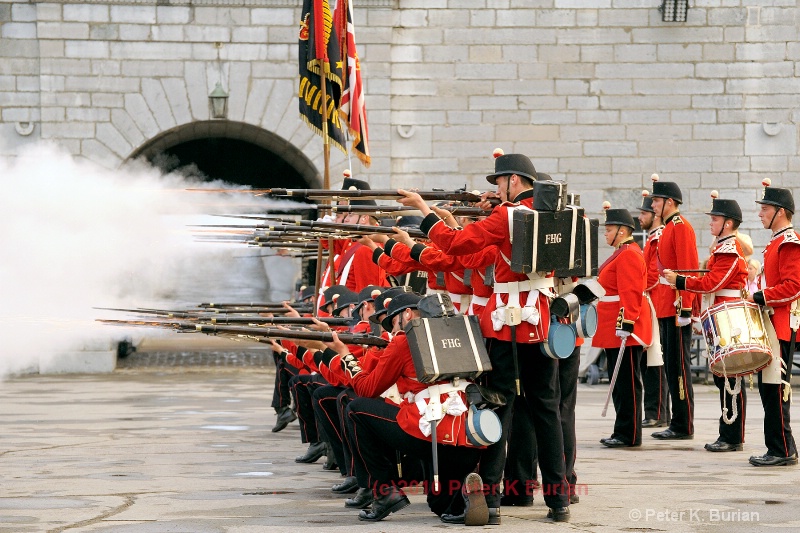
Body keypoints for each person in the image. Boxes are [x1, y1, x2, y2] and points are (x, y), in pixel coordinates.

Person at [397, 151, 571, 523]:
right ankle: (559, 499)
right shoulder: (551, 215)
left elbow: (458, 246)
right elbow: (487, 251)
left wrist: (423, 209)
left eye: (500, 182)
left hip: (506, 327)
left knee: (498, 407)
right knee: (546, 412)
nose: (498, 189)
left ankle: (490, 500)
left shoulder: (508, 215)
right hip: (540, 324)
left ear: (514, 180)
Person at [664, 194, 748, 453]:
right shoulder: (721, 248)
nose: (711, 222)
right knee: (723, 377)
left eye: (716, 218)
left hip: (728, 316)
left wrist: (681, 281)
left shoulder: (730, 249)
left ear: (729, 223)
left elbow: (713, 283)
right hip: (719, 314)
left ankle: (732, 436)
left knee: (731, 377)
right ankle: (728, 432)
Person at [746, 180, 798, 466]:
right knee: (769, 387)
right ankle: (780, 446)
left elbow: (794, 286)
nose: (760, 213)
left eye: (764, 208)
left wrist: (761, 296)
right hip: (770, 322)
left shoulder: (789, 242)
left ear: (780, 211)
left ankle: (782, 450)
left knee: (775, 388)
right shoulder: (776, 242)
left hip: (781, 323)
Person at [594, 203, 652, 448]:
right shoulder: (621, 251)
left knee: (627, 384)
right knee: (619, 383)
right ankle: (622, 430)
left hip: (624, 326)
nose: (606, 234)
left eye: (609, 229)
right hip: (612, 324)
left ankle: (630, 433)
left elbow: (631, 292)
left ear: (621, 230)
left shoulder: (628, 253)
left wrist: (627, 322)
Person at [648, 176, 698, 440]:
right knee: (672, 366)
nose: (653, 204)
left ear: (669, 202)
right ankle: (678, 420)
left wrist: (686, 308)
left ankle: (683, 424)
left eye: (656, 200)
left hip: (677, 305)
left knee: (679, 367)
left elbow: (687, 268)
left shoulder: (679, 227)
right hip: (666, 305)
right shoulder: (668, 227)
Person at [637, 191, 670, 428]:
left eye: (644, 213)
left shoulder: (658, 237)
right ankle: (657, 411)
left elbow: (653, 274)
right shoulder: (652, 237)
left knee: (654, 360)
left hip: (656, 302)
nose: (640, 217)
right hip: (650, 301)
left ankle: (656, 412)